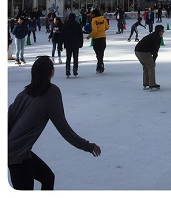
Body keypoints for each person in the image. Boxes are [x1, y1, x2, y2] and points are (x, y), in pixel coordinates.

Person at [8, 56, 101, 190]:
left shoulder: (24, 93)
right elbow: (64, 129)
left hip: (17, 151)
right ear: (51, 72)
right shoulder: (51, 93)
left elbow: (8, 118)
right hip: (17, 156)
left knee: (47, 177)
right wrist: (87, 146)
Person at [134, 24, 165, 90]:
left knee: (146, 66)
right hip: (143, 52)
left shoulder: (152, 35)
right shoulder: (157, 38)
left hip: (137, 51)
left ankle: (146, 83)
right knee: (151, 66)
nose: (163, 32)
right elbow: (155, 50)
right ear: (159, 31)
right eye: (162, 31)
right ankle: (152, 84)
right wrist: (153, 60)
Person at [86, 8, 109, 73]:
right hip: (103, 38)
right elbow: (107, 27)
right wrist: (102, 30)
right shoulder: (103, 19)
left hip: (96, 38)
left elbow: (94, 30)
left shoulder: (94, 20)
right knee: (101, 53)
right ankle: (100, 65)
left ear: (94, 14)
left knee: (98, 53)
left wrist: (89, 36)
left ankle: (100, 66)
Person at [61, 13, 84, 77]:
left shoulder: (65, 24)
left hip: (68, 43)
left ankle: (67, 69)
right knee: (75, 57)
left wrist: (61, 44)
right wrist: (81, 43)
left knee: (68, 57)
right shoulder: (77, 24)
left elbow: (62, 34)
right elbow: (80, 35)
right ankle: (75, 69)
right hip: (75, 43)